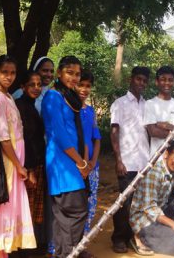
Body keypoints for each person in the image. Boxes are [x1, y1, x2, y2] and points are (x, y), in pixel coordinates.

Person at [0, 55, 36, 256]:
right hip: (7, 162)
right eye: (5, 72)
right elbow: (3, 138)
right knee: (3, 211)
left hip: (15, 158)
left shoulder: (8, 96)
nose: (9, 77)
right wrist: (19, 165)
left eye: (12, 73)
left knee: (10, 211)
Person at [42, 56, 91, 257]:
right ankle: (69, 253)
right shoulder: (54, 97)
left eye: (77, 73)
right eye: (70, 73)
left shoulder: (68, 96)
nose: (74, 77)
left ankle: (64, 254)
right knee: (75, 212)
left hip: (74, 163)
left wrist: (83, 161)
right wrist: (80, 162)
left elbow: (78, 131)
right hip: (64, 165)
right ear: (60, 73)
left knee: (65, 218)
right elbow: (60, 133)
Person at [129, 141, 174, 256]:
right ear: (166, 154)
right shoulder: (154, 173)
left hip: (160, 216)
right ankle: (138, 238)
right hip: (145, 221)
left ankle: (172, 235)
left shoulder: (172, 172)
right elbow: (150, 209)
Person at [110, 66, 151, 253]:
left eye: (144, 80)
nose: (141, 83)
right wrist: (118, 160)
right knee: (124, 202)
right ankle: (119, 238)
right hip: (127, 162)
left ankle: (134, 238)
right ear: (131, 79)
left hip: (144, 162)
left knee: (139, 203)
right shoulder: (119, 103)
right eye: (138, 79)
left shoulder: (147, 105)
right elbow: (114, 132)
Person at [15, 71, 47, 254]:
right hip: (29, 167)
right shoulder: (21, 106)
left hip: (37, 164)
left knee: (34, 211)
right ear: (23, 87)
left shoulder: (32, 106)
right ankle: (22, 251)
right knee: (26, 210)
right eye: (32, 84)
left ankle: (28, 249)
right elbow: (24, 139)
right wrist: (29, 169)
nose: (36, 88)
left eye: (38, 84)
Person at [144, 66, 174, 159]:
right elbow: (153, 132)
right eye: (163, 79)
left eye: (170, 80)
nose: (167, 83)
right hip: (157, 161)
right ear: (157, 82)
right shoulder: (150, 104)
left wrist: (168, 126)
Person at [76, 70, 102, 235]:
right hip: (75, 165)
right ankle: (60, 247)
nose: (84, 89)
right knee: (73, 205)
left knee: (90, 204)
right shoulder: (69, 109)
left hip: (92, 166)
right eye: (81, 85)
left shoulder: (90, 111)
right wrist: (83, 163)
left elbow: (96, 138)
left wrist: (93, 162)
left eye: (88, 86)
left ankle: (82, 243)